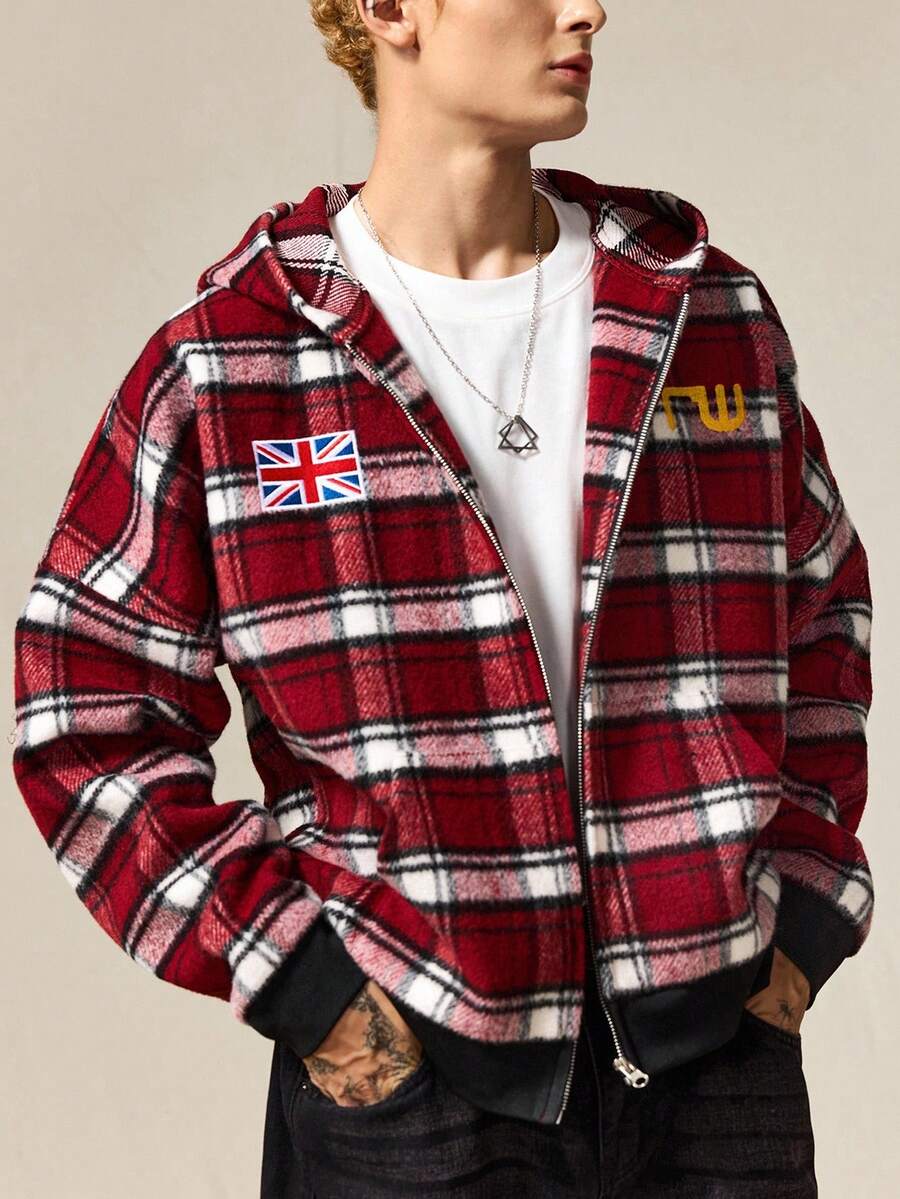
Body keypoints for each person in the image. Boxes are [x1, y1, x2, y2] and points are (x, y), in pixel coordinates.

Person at [12, 1, 874, 1196]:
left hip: (720, 1071)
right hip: (409, 1094)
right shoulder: (235, 361)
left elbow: (822, 615)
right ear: (389, 9)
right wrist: (308, 988)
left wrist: (804, 918)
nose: (589, 9)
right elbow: (82, 708)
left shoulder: (703, 314)